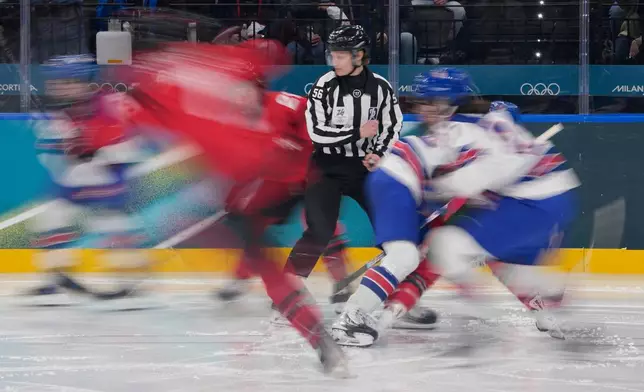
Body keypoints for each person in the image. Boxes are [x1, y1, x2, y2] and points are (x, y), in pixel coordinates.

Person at [110, 38, 348, 374]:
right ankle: (316, 336)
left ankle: (344, 283)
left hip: (304, 179)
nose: (240, 96)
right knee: (254, 244)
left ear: (259, 88)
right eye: (234, 90)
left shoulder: (287, 105)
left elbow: (321, 128)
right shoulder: (216, 128)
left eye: (248, 88)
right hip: (262, 190)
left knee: (321, 218)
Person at [331, 68, 580, 347]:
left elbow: (449, 185)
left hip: (395, 178)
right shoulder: (475, 132)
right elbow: (447, 184)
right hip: (399, 179)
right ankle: (352, 318)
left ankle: (367, 307)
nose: (425, 110)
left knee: (420, 253)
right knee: (407, 255)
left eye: (430, 102)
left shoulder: (467, 130)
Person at [282, 24, 403, 311]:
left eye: (340, 56)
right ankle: (286, 288)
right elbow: (317, 134)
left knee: (390, 229)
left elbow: (391, 125)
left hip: (365, 168)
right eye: (332, 56)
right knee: (319, 229)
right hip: (326, 166)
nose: (333, 61)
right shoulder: (323, 86)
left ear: (359, 56)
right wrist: (356, 133)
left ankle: (396, 288)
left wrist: (378, 153)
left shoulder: (382, 88)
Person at [25, 54, 150, 306]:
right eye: (57, 84)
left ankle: (130, 279)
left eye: (67, 82)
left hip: (107, 181)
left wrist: (98, 152)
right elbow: (51, 151)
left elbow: (132, 146)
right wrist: (68, 148)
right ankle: (57, 277)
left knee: (112, 225)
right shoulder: (61, 114)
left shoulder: (111, 105)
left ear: (85, 82)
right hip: (74, 182)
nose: (59, 88)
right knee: (49, 219)